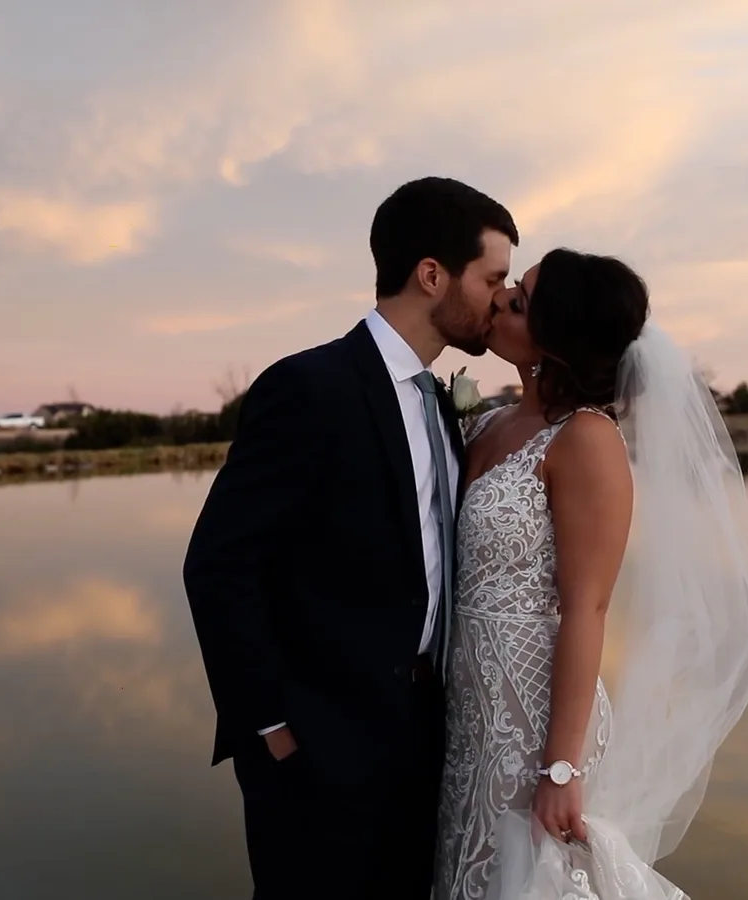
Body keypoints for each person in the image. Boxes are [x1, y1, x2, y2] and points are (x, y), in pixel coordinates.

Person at [183, 176, 517, 898]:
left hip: (424, 741)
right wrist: (271, 727)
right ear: (432, 275)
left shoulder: (441, 405)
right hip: (317, 751)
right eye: (493, 277)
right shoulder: (309, 388)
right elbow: (219, 566)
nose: (501, 297)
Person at [434, 249, 748, 899]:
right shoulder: (487, 422)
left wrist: (561, 766)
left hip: (537, 717)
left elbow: (587, 608)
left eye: (520, 300)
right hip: (468, 710)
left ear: (557, 341)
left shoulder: (587, 440)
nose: (500, 299)